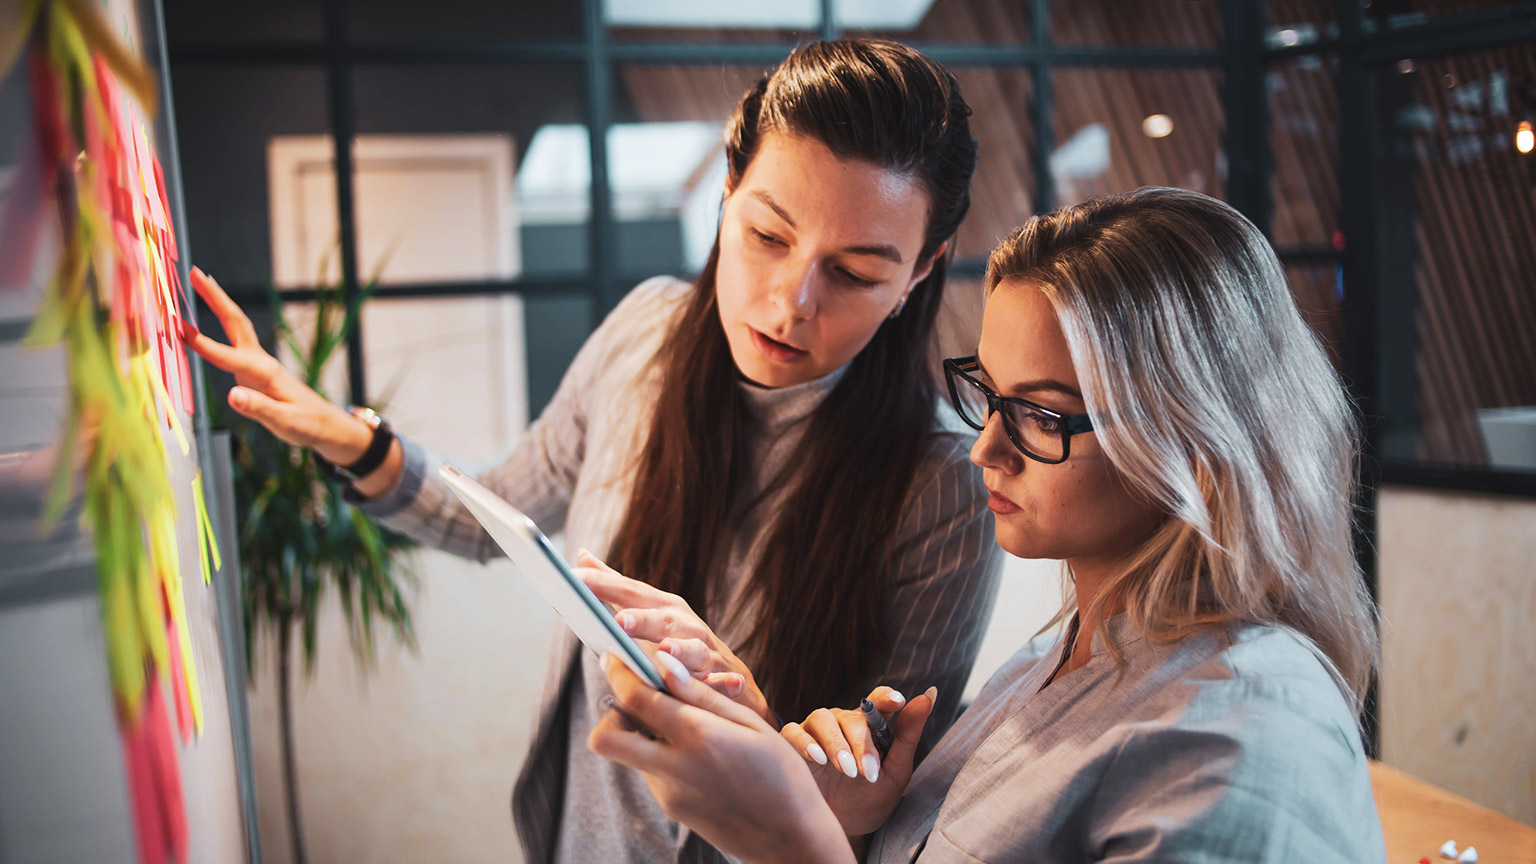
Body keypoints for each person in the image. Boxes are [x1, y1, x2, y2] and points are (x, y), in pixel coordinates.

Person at [183, 39, 1005, 863]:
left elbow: (884, 812)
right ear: (727, 189)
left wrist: (800, 761)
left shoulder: (945, 491)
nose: (792, 303)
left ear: (920, 272)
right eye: (766, 235)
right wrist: (352, 440)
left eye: (857, 273)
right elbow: (495, 514)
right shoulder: (643, 339)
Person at [586, 187, 1386, 863]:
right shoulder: (1059, 655)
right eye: (991, 397)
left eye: (1041, 415)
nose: (985, 449)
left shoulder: (1245, 730)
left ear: (1194, 437)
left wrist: (794, 842)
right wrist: (848, 817)